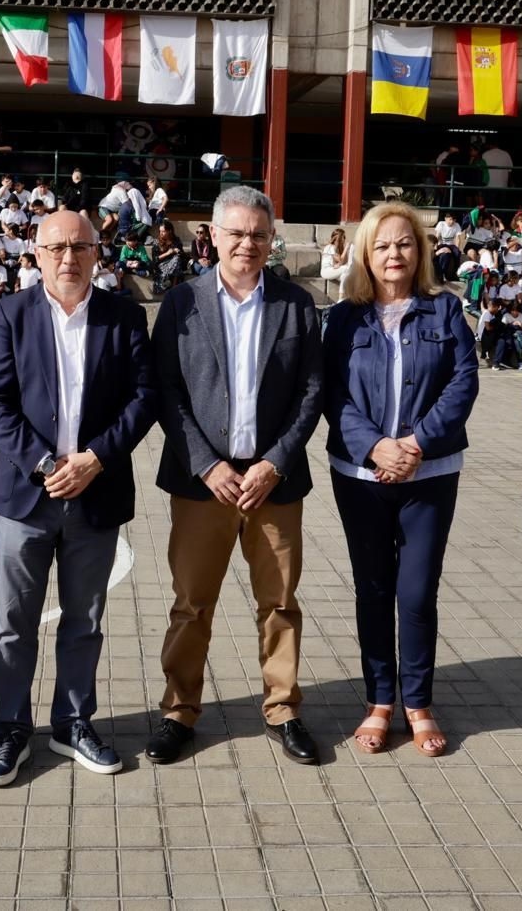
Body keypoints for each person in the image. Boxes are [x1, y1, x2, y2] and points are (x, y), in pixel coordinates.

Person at [0, 210, 160, 787]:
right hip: (27, 497)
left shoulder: (125, 315)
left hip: (96, 493)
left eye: (81, 246)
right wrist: (45, 462)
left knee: (84, 620)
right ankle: (10, 728)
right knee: (13, 622)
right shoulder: (11, 313)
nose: (69, 257)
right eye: (57, 247)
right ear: (36, 252)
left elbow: (143, 398)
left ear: (97, 251)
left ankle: (72, 722)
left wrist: (96, 458)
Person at [146, 186, 324, 767]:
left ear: (272, 240)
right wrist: (206, 462)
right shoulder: (182, 303)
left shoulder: (296, 305)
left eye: (259, 234)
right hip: (204, 483)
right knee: (192, 602)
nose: (248, 243)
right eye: (238, 233)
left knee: (279, 602)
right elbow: (166, 392)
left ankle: (283, 708)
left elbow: (311, 392)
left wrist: (276, 460)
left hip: (274, 482)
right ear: (214, 237)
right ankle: (179, 711)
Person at [322, 203, 478, 757]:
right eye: (383, 245)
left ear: (421, 251)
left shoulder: (445, 312)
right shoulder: (344, 319)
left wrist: (414, 445)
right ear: (366, 252)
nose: (395, 254)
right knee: (373, 588)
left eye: (405, 244)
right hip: (360, 474)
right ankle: (379, 701)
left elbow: (463, 383)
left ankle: (418, 702)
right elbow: (332, 395)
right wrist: (375, 446)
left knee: (415, 593)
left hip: (429, 474)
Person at [320, 228, 351, 297]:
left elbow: (343, 262)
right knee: (347, 269)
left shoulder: (336, 248)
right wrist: (346, 249)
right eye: (344, 237)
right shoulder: (330, 247)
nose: (345, 239)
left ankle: (341, 298)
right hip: (326, 271)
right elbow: (341, 261)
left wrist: (338, 264)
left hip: (331, 270)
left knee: (345, 276)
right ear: (340, 238)